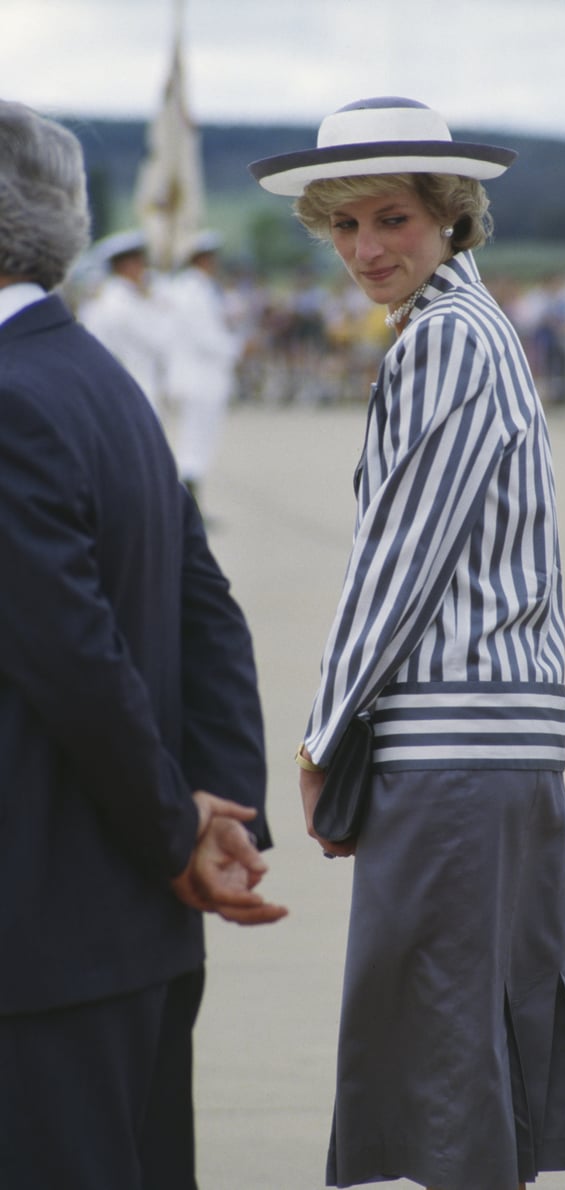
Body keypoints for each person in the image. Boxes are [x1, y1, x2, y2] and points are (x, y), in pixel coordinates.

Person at [250, 96, 565, 1190]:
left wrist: (322, 738)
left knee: (448, 1044)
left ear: (452, 215)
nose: (367, 248)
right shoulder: (470, 326)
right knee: (473, 1037)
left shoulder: (447, 340)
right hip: (494, 746)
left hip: (456, 749)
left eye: (393, 218)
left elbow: (395, 562)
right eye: (346, 225)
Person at [0, 100, 287, 1190]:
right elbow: (205, 604)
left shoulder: (12, 397)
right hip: (133, 926)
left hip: (42, 938)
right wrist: (222, 799)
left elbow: (71, 658)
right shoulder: (95, 376)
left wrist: (183, 827)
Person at [165, 229, 243, 509]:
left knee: (198, 443)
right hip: (198, 377)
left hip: (201, 376)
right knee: (194, 444)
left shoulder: (197, 288)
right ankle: (188, 507)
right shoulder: (192, 291)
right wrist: (237, 348)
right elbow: (205, 336)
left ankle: (191, 506)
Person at [79, 228, 171, 412]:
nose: (143, 269)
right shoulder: (126, 303)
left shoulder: (103, 300)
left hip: (114, 392)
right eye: (139, 263)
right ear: (125, 267)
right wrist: (161, 307)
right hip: (136, 389)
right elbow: (160, 342)